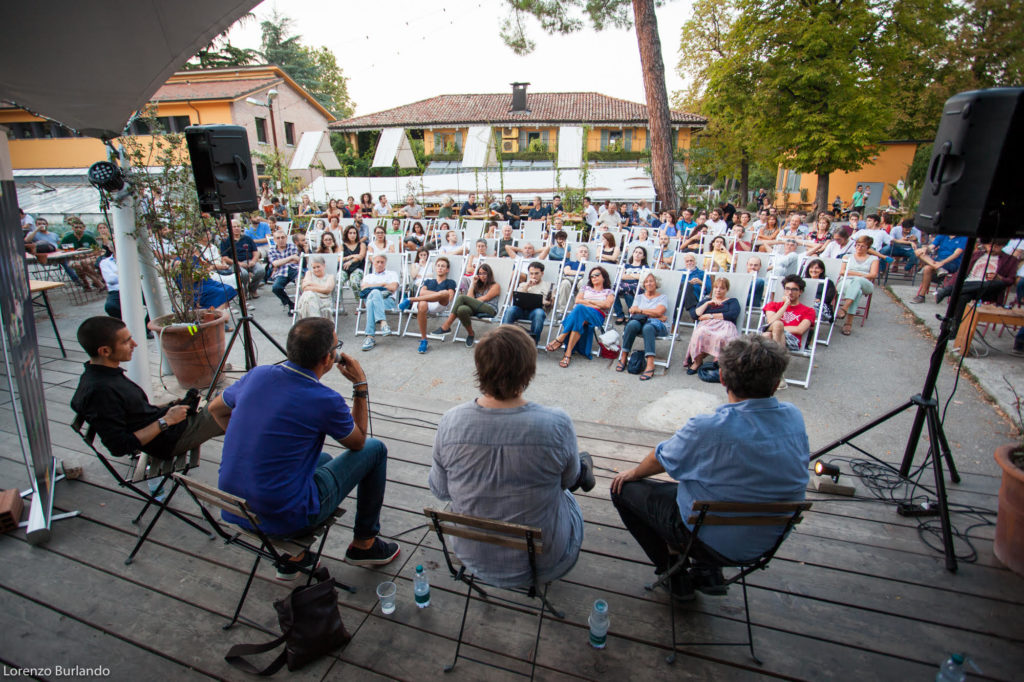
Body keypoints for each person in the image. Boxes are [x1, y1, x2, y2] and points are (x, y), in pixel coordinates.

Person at [610, 334, 809, 599]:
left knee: (622, 489)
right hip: (767, 539)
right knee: (713, 480)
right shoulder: (794, 418)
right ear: (775, 385)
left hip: (706, 538)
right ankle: (706, 571)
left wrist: (633, 473)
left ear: (723, 379)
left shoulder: (708, 428)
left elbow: (661, 460)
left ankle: (674, 574)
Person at [212, 318, 400, 576]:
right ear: (327, 359)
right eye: (336, 346)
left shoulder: (258, 375)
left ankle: (295, 556)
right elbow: (358, 442)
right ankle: (364, 544)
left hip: (235, 508)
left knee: (322, 458)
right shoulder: (324, 399)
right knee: (375, 449)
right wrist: (360, 385)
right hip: (286, 518)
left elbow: (215, 409)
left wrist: (251, 443)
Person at [429, 325, 593, 587]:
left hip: (473, 555)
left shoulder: (450, 421)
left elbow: (440, 491)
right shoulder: (557, 424)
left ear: (479, 369)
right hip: (543, 563)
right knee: (567, 492)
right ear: (529, 370)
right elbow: (569, 480)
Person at [71, 317, 224, 461]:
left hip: (170, 427)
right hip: (168, 441)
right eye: (126, 341)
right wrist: (166, 420)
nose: (134, 344)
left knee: (234, 405)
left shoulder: (101, 374)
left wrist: (169, 408)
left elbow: (133, 412)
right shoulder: (100, 391)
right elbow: (119, 447)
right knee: (237, 409)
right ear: (105, 351)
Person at [545, 267, 614, 367]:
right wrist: (598, 303)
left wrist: (588, 302)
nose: (594, 277)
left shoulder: (609, 292)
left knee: (580, 308)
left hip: (597, 315)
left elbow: (607, 305)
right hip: (582, 314)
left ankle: (561, 338)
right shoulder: (585, 288)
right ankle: (567, 354)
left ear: (604, 277)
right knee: (579, 316)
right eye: (592, 276)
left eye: (597, 275)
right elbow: (577, 300)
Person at [762, 275, 816, 387]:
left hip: (793, 341)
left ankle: (772, 374)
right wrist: (786, 305)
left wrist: (779, 328)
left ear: (800, 291)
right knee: (768, 332)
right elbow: (770, 321)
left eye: (794, 289)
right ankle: (778, 375)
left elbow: (800, 330)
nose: (790, 292)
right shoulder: (773, 305)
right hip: (774, 338)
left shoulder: (809, 311)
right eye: (787, 289)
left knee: (773, 328)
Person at [433, 263, 502, 347]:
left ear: (489, 274)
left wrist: (469, 301)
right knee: (461, 309)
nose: (482, 276)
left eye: (484, 273)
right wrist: (473, 284)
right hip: (477, 309)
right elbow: (469, 297)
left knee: (462, 298)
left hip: (490, 310)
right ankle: (471, 334)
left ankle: (446, 326)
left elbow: (485, 298)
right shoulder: (478, 286)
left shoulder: (495, 286)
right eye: (480, 273)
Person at [616, 271, 669, 381]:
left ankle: (650, 363)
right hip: (641, 323)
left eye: (651, 281)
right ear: (643, 284)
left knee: (648, 327)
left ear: (656, 283)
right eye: (646, 282)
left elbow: (659, 311)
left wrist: (641, 311)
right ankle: (624, 356)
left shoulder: (662, 297)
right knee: (632, 324)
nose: (649, 284)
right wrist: (654, 314)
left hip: (657, 326)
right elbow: (633, 312)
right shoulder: (639, 297)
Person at [399, 256, 457, 354]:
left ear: (447, 270)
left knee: (445, 293)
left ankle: (410, 300)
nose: (440, 268)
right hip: (425, 303)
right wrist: (439, 294)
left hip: (439, 305)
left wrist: (437, 295)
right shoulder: (428, 281)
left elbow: (449, 297)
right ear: (435, 268)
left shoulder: (450, 282)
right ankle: (424, 340)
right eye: (438, 266)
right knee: (423, 303)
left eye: (443, 266)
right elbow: (422, 293)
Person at [685, 276, 741, 375]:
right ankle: (697, 362)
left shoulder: (732, 301)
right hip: (707, 326)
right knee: (699, 332)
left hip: (725, 325)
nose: (718, 290)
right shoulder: (706, 301)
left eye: (722, 288)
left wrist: (710, 316)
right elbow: (695, 315)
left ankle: (718, 361)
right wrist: (707, 304)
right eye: (716, 287)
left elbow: (732, 314)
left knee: (722, 336)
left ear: (726, 290)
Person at [502, 260, 555, 345]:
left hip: (536, 311)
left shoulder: (549, 286)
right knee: (510, 310)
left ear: (542, 273)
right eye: (531, 273)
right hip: (521, 310)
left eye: (536, 273)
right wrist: (527, 286)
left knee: (539, 313)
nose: (533, 276)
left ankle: (533, 343)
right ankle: (503, 339)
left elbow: (552, 304)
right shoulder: (523, 284)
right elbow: (517, 298)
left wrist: (546, 302)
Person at [835, 235, 879, 335]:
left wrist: (853, 273)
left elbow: (873, 274)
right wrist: (861, 274)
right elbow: (842, 272)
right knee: (857, 291)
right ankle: (848, 323)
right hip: (846, 282)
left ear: (868, 248)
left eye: (862, 246)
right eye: (857, 245)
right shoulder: (847, 257)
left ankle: (845, 308)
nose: (859, 248)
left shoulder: (873, 259)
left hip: (865, 284)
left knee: (858, 281)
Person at [911, 233, 969, 303]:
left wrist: (942, 263)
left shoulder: (963, 238)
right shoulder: (943, 235)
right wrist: (925, 249)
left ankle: (921, 296)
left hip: (952, 263)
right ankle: (938, 269)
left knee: (927, 268)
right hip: (937, 261)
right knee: (918, 252)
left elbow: (956, 254)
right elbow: (932, 246)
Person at [360, 254, 400, 351]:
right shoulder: (368, 276)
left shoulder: (392, 274)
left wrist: (372, 286)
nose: (379, 264)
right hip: (374, 299)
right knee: (374, 295)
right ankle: (383, 323)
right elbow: (363, 288)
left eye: (382, 262)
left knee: (371, 301)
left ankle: (370, 337)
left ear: (385, 263)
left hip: (388, 301)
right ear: (373, 263)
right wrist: (383, 284)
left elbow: (393, 288)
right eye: (377, 262)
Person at [221, 220, 263, 298]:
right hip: (235, 263)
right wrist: (239, 263)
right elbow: (225, 257)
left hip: (249, 260)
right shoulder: (225, 241)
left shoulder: (247, 238)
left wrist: (253, 261)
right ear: (230, 228)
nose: (237, 228)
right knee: (243, 274)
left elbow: (255, 252)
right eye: (234, 227)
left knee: (260, 270)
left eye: (238, 226)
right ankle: (244, 292)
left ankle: (252, 289)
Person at [268, 229, 300, 315]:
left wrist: (280, 262)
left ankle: (301, 305)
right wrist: (290, 258)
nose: (281, 240)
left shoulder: (292, 246)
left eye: (283, 237)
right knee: (276, 288)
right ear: (274, 240)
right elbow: (275, 263)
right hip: (281, 272)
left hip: (294, 269)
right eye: (278, 238)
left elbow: (297, 260)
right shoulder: (271, 250)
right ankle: (290, 304)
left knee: (301, 283)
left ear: (286, 238)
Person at [295, 255, 336, 321]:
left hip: (323, 300)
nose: (316, 269)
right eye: (314, 267)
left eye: (318, 267)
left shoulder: (330, 277)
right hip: (307, 299)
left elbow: (328, 290)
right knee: (309, 295)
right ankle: (314, 323)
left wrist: (310, 284)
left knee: (309, 295)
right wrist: (322, 287)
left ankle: (310, 324)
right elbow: (304, 288)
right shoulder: (309, 273)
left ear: (324, 266)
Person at [615, 246, 649, 322]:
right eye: (636, 252)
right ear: (633, 253)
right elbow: (622, 276)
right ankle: (621, 314)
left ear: (643, 257)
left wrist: (629, 275)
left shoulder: (645, 267)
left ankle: (630, 315)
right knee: (614, 291)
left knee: (624, 290)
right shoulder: (626, 265)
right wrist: (635, 276)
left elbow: (642, 277)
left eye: (640, 253)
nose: (637, 254)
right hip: (624, 286)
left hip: (637, 287)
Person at [803, 258, 838, 324]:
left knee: (809, 312)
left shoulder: (828, 282)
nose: (814, 270)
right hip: (806, 305)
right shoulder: (804, 281)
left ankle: (809, 329)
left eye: (817, 268)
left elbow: (829, 297)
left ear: (822, 270)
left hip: (820, 307)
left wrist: (820, 300)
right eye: (811, 268)